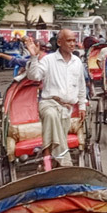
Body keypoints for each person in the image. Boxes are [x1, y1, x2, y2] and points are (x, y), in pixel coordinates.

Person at [25, 30, 87, 168]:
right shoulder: (48, 60)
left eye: (73, 40)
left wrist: (82, 105)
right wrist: (34, 57)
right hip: (49, 103)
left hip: (67, 107)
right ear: (59, 42)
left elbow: (81, 85)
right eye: (68, 41)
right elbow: (34, 76)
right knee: (51, 115)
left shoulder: (77, 62)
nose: (72, 44)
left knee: (56, 122)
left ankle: (48, 156)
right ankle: (62, 161)